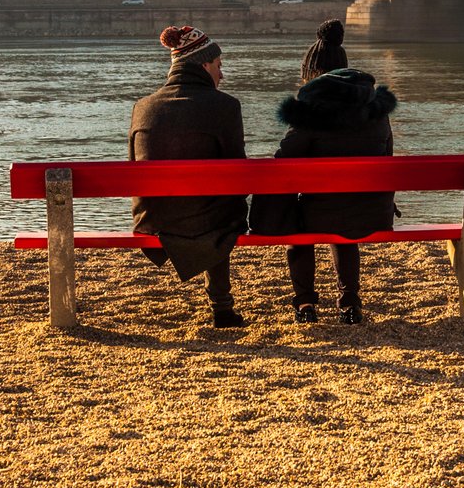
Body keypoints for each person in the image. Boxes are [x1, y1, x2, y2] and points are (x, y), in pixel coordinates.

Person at [128, 24, 248, 328]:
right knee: (219, 209)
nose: (222, 75)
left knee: (210, 205)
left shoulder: (143, 108)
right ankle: (221, 305)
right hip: (210, 222)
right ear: (204, 64)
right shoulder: (225, 106)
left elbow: (133, 168)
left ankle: (220, 303)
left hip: (155, 221)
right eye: (219, 66)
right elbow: (239, 172)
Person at [271, 61, 396, 325]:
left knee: (299, 231)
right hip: (371, 214)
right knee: (344, 229)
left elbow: (283, 159)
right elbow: (388, 158)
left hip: (318, 213)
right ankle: (349, 303)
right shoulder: (379, 115)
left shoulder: (311, 117)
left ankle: (305, 304)